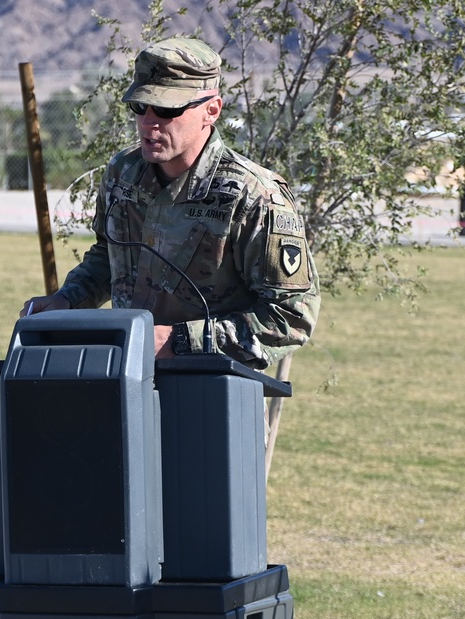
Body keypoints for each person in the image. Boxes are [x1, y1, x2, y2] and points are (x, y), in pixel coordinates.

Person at [21, 38, 320, 370]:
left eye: (167, 109)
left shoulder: (254, 196)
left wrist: (179, 342)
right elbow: (110, 257)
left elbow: (291, 318)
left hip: (212, 392)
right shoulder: (124, 173)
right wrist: (68, 300)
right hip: (123, 379)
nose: (149, 121)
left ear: (212, 110)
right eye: (140, 107)